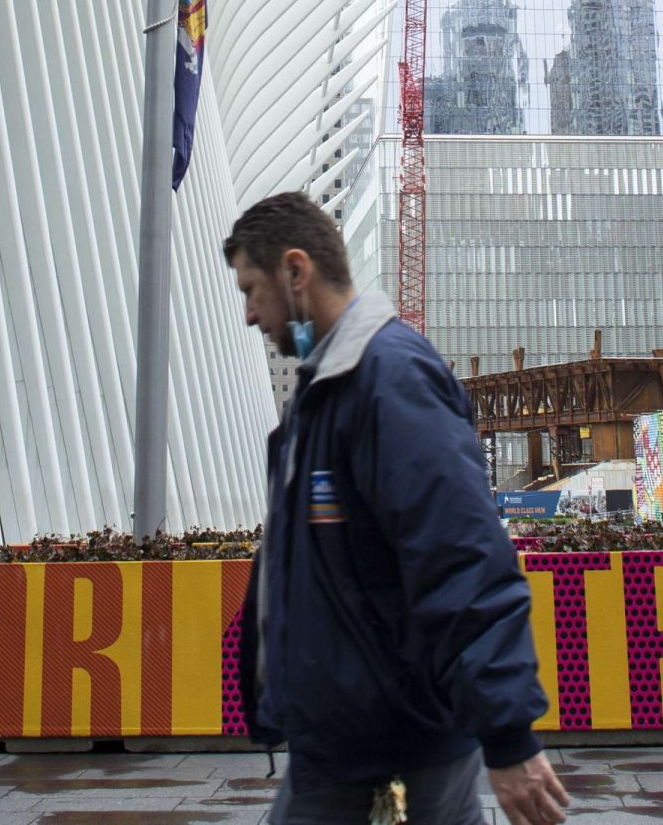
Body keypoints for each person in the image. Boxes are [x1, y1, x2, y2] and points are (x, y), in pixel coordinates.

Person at [225, 192, 569, 825]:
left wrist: (508, 735)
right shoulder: (326, 389)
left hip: (394, 749)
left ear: (296, 272)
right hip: (343, 741)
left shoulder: (389, 380)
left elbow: (462, 555)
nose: (249, 315)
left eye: (253, 288)